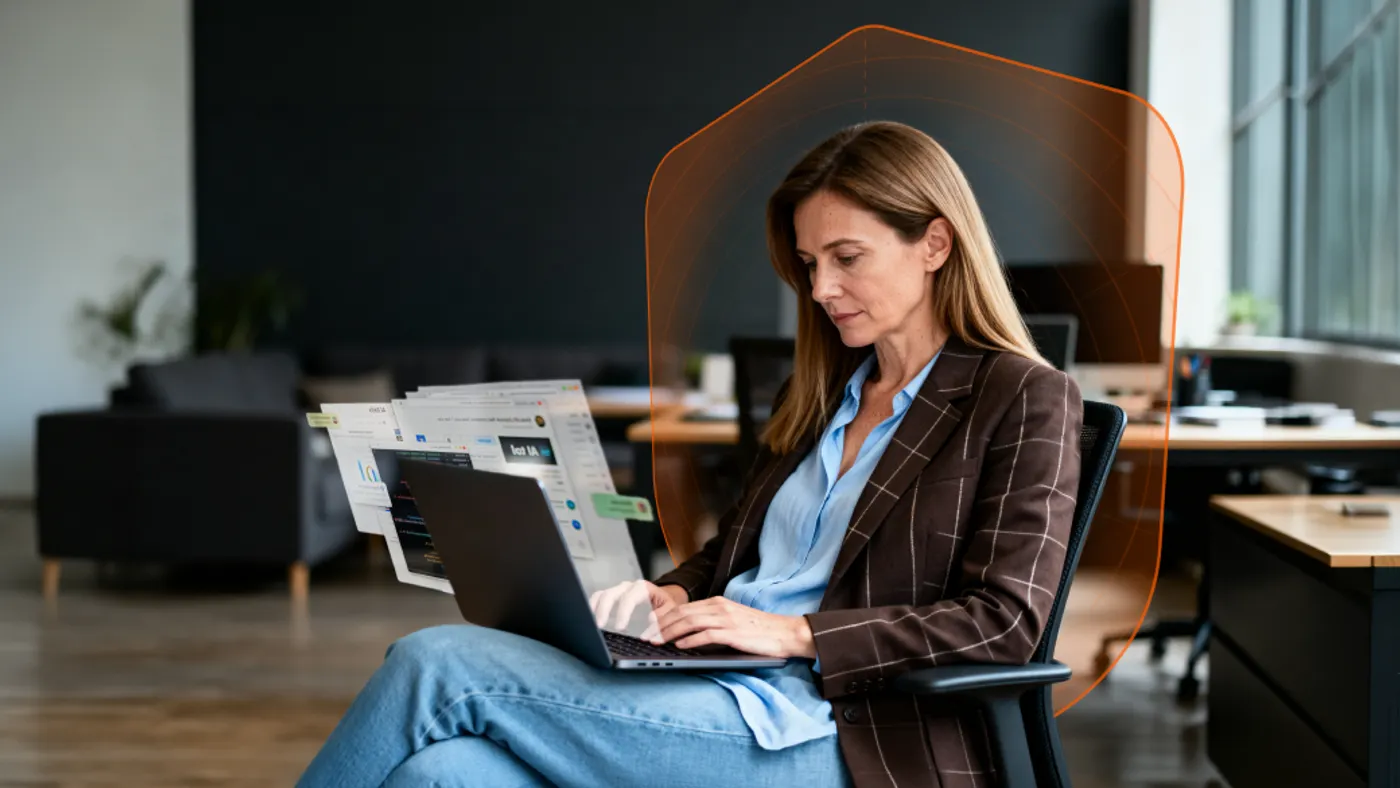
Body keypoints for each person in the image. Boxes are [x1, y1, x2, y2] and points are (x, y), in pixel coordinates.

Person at [296, 120, 1083, 788]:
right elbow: (735, 559)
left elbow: (1005, 621)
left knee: (436, 663)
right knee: (439, 775)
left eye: (847, 257)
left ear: (935, 243)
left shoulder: (1019, 397)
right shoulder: (821, 395)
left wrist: (798, 634)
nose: (821, 288)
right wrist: (669, 598)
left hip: (836, 729)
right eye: (810, 265)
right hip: (710, 681)